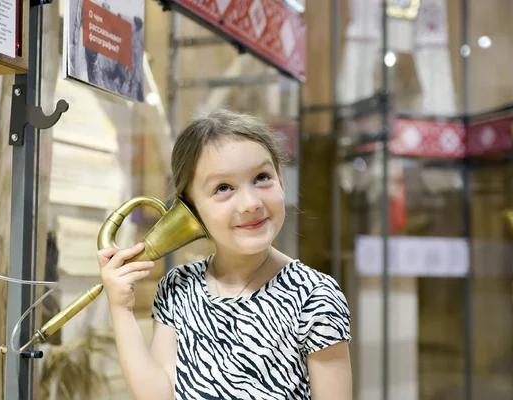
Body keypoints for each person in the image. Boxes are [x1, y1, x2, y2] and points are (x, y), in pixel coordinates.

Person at [97, 109, 352, 400]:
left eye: (261, 177)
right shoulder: (177, 286)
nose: (250, 203)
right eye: (223, 188)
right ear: (189, 207)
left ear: (281, 181)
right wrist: (121, 310)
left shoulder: (315, 295)